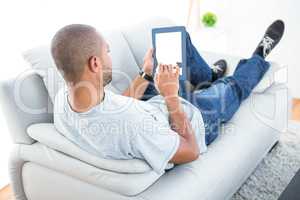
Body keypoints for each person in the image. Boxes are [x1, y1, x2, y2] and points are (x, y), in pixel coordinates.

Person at [52, 20, 284, 174]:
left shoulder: (64, 99)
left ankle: (207, 75)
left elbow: (119, 106)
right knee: (232, 87)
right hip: (193, 119)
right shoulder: (131, 127)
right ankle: (259, 56)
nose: (110, 56)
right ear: (95, 63)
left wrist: (147, 74)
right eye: (107, 52)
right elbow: (190, 151)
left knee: (176, 38)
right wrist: (171, 95)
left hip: (154, 106)